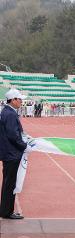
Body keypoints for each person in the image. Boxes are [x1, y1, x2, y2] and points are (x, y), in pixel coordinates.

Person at [0, 89, 33, 219]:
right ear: (13, 100)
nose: (21, 101)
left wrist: (24, 136)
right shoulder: (10, 114)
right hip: (11, 153)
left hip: (9, 152)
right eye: (20, 99)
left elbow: (14, 133)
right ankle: (7, 212)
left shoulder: (7, 112)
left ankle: (4, 210)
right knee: (10, 183)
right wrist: (25, 146)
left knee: (8, 182)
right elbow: (13, 135)